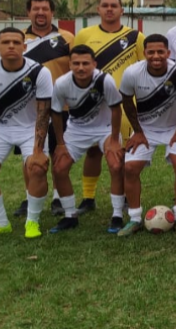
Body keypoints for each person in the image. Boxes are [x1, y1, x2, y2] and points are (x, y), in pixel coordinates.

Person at [0, 27, 54, 239]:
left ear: (24, 47)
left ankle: (32, 222)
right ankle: (0, 223)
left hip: (30, 127)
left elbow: (44, 112)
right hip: (0, 127)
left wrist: (37, 150)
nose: (11, 46)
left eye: (16, 42)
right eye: (6, 42)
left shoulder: (39, 72)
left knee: (37, 167)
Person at [72, 0, 143, 217]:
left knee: (120, 152)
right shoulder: (84, 35)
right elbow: (75, 66)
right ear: (98, 10)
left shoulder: (135, 37)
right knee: (93, 152)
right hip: (92, 103)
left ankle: (121, 197)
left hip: (124, 104)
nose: (109, 9)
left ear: (122, 10)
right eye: (105, 5)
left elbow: (143, 68)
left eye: (114, 5)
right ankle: (88, 197)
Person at [117, 34, 176, 236]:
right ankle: (134, 218)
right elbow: (126, 102)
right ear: (145, 53)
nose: (156, 56)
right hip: (145, 130)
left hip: (174, 128)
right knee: (130, 168)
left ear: (168, 53)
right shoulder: (132, 73)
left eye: (161, 51)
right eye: (151, 52)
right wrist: (138, 131)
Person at [46, 45, 124, 234]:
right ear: (70, 64)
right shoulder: (62, 83)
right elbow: (55, 114)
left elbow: (116, 109)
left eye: (85, 63)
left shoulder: (105, 80)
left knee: (116, 164)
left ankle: (117, 215)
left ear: (94, 64)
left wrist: (114, 139)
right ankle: (70, 216)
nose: (81, 68)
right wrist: (61, 144)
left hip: (104, 129)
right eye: (76, 63)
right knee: (59, 168)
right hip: (77, 130)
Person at [15, 0, 73, 218]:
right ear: (28, 12)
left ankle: (58, 198)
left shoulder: (67, 37)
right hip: (27, 110)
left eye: (45, 9)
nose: (40, 13)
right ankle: (31, 197)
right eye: (36, 9)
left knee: (59, 153)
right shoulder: (18, 39)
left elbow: (75, 70)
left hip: (61, 108)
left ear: (52, 12)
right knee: (29, 156)